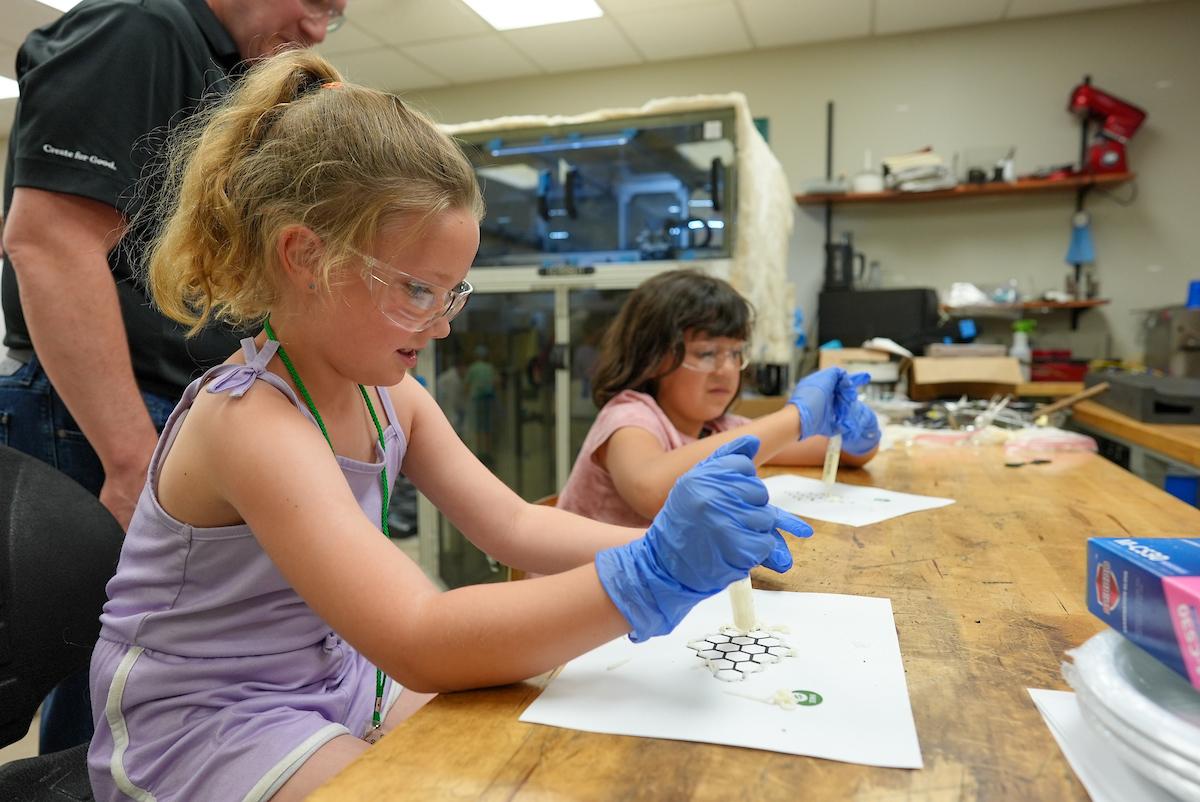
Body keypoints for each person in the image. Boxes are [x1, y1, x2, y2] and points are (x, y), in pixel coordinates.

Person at [86, 50, 812, 802]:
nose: (440, 325)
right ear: (306, 256)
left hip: (337, 683)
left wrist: (677, 547)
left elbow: (513, 528)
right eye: (415, 291)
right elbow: (416, 634)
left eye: (451, 294)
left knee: (538, 763)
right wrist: (653, 575)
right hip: (205, 721)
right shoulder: (250, 421)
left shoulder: (390, 397)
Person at [0, 0, 347, 754]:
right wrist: (130, 460)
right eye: (317, 1)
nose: (320, 28)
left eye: (337, 15)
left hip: (180, 408)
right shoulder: (142, 27)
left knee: (169, 674)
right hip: (106, 413)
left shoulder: (230, 72)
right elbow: (50, 242)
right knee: (120, 688)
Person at [557, 270, 881, 528]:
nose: (726, 369)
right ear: (652, 357)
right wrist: (795, 418)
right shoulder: (629, 418)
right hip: (581, 598)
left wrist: (857, 436)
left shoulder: (717, 428)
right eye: (707, 353)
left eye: (736, 353)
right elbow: (651, 491)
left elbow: (833, 453)